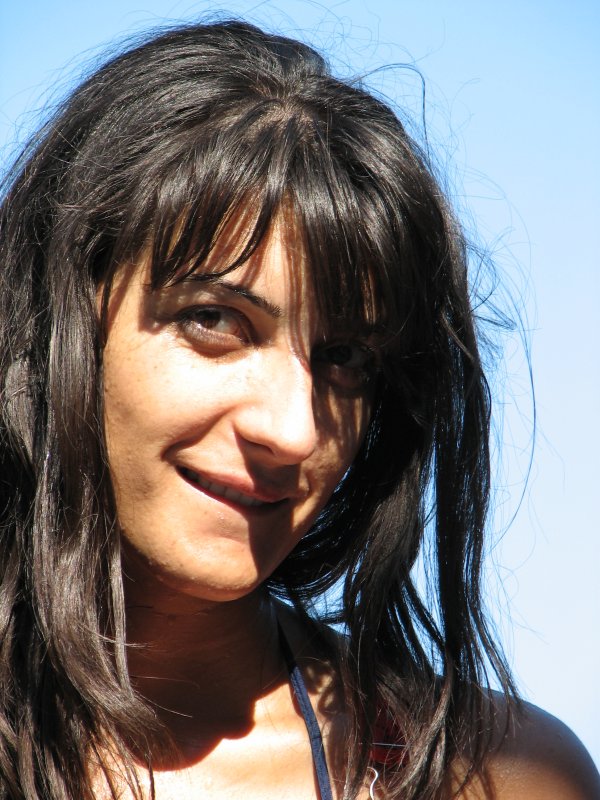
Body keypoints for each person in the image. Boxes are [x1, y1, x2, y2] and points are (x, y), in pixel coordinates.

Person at [0, 19, 598, 800]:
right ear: (62, 320)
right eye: (214, 321)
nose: (294, 430)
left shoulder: (495, 776)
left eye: (345, 358)